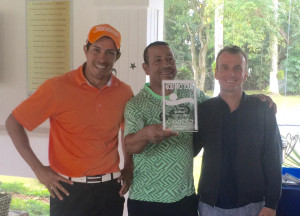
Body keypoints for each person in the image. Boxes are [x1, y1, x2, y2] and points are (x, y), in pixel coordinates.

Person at [5, 24, 133, 216]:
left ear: (117, 57)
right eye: (96, 50)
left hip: (110, 189)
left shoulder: (124, 92)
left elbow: (127, 130)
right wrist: (38, 170)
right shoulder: (57, 87)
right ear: (86, 50)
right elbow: (13, 122)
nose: (102, 58)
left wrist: (129, 165)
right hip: (68, 189)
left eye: (110, 53)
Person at [193, 45, 282, 216]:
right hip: (210, 206)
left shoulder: (262, 109)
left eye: (237, 68)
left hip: (254, 205)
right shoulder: (204, 111)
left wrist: (271, 204)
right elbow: (190, 150)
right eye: (224, 68)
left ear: (245, 73)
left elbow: (273, 157)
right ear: (216, 73)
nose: (231, 74)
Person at [124, 41, 208, 216]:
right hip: (146, 199)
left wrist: (255, 99)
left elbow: (217, 107)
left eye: (170, 59)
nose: (166, 65)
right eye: (158, 60)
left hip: (184, 197)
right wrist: (145, 134)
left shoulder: (190, 94)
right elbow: (129, 146)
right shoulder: (136, 104)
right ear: (146, 68)